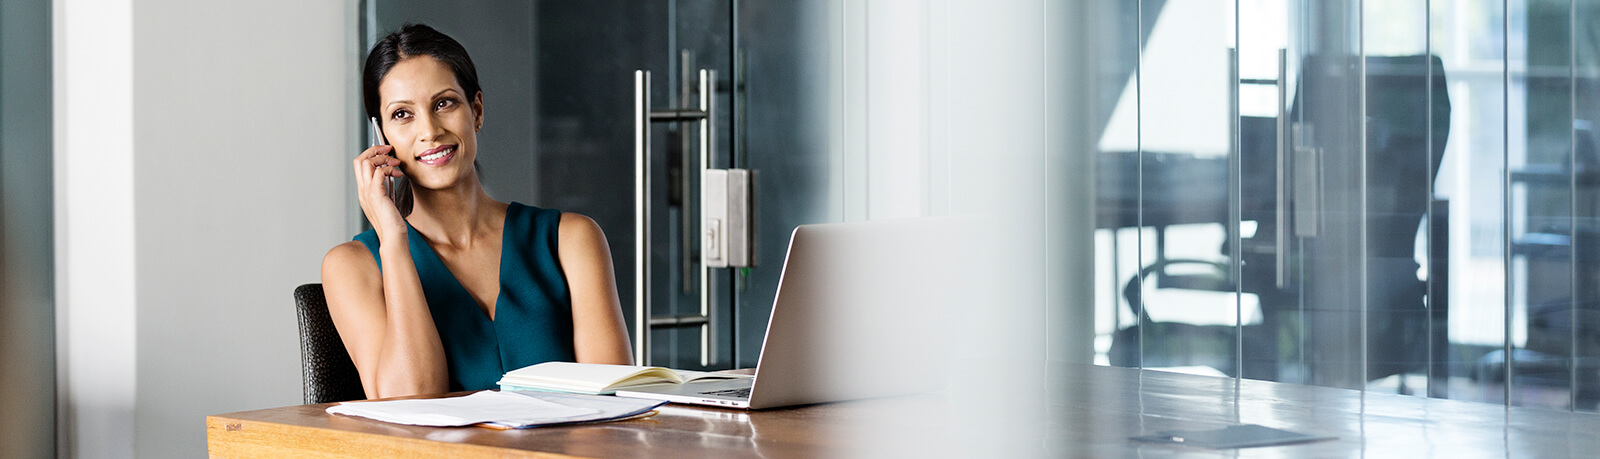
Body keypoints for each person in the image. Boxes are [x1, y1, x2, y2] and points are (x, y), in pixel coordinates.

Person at [321, 23, 632, 399]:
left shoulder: (571, 240)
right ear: (381, 138)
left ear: (477, 111)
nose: (430, 131)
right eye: (403, 114)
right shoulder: (353, 266)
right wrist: (393, 240)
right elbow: (408, 403)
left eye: (444, 103)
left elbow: (616, 409)